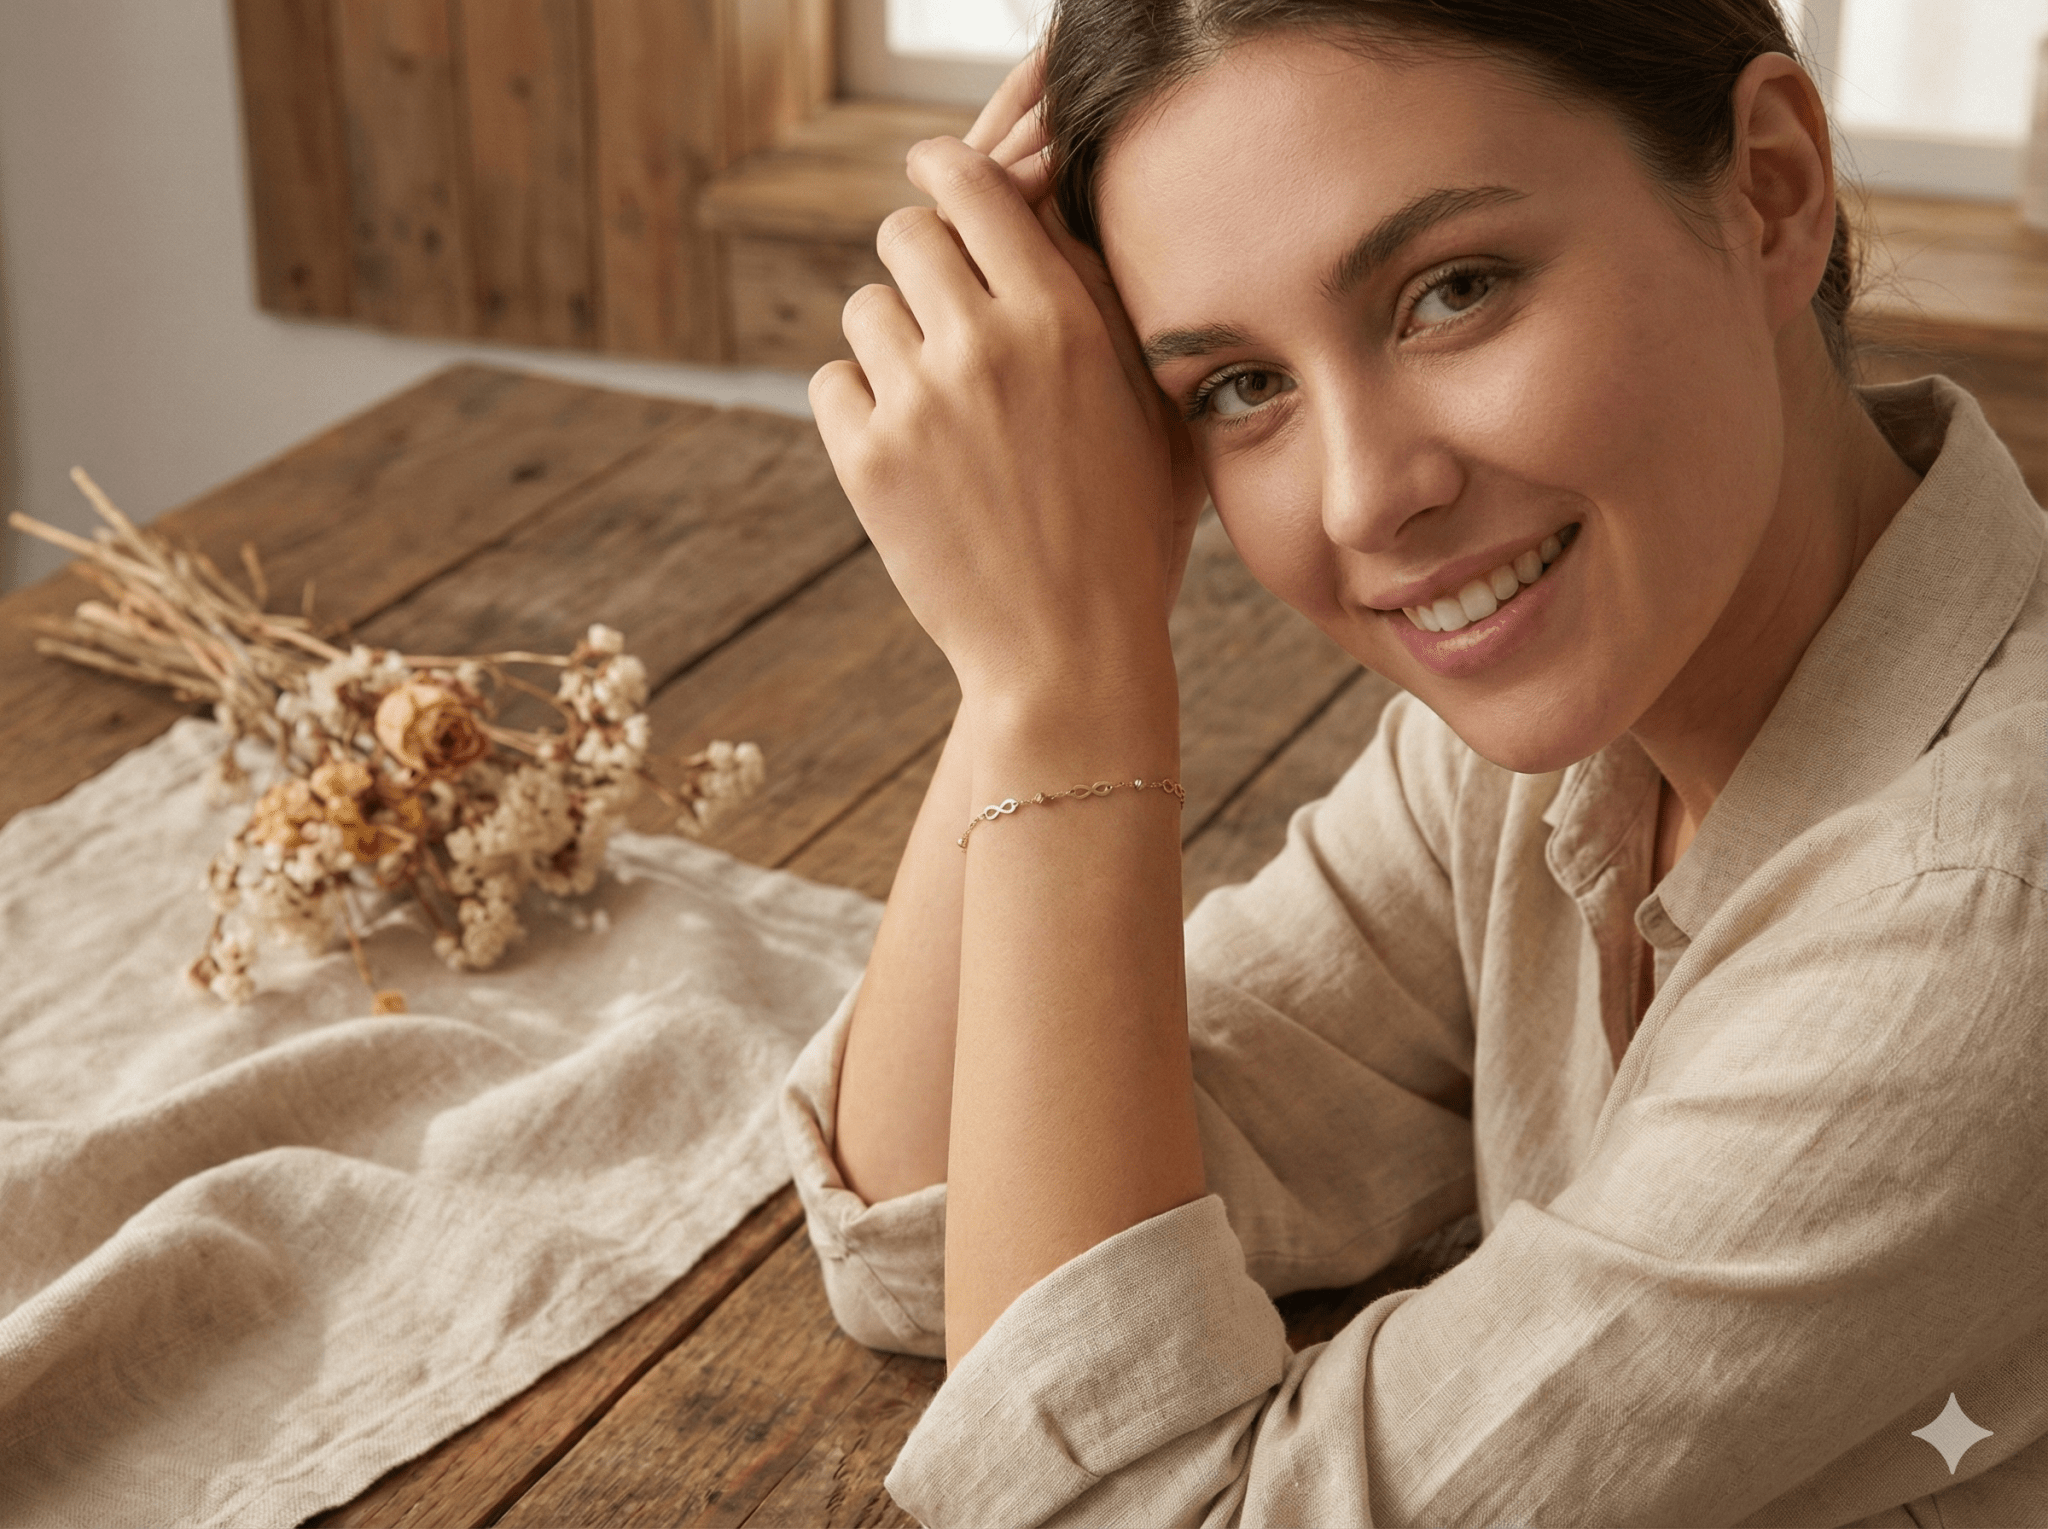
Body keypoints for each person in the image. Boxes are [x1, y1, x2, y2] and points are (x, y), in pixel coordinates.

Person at [782, 1, 2048, 1522]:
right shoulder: (1568, 723)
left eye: (1453, 291)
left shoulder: (1981, 915)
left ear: (1770, 189)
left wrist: (1066, 681)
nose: (1366, 496)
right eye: (1236, 388)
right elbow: (932, 1231)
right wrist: (1023, 652)